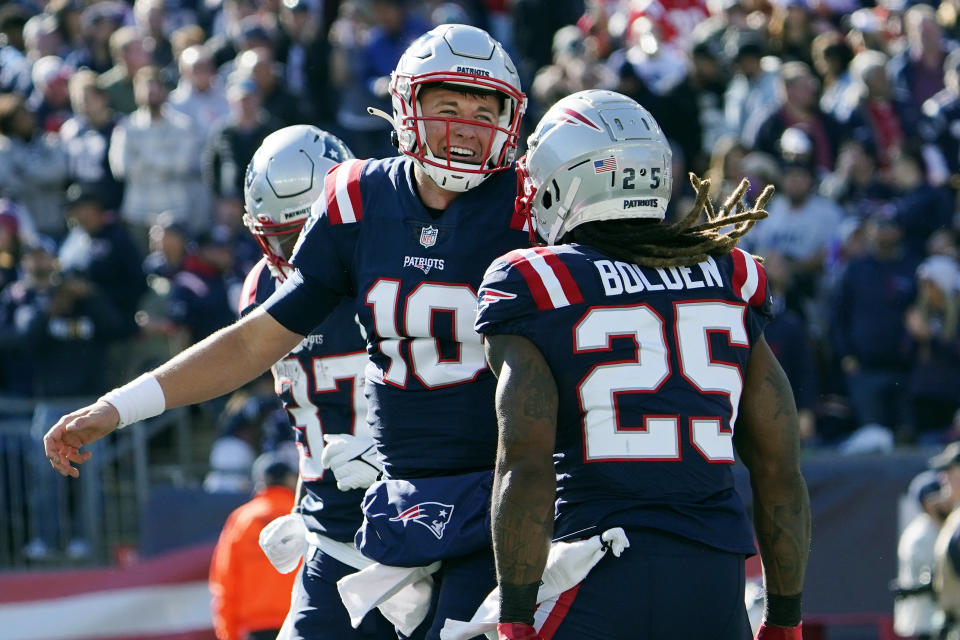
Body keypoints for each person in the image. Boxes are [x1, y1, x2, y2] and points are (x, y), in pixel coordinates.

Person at [44, 23, 528, 640]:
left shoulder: (529, 204)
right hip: (381, 512)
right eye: (448, 106)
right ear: (408, 109)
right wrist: (117, 407)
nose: (467, 124)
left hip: (495, 500)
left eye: (484, 108)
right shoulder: (357, 198)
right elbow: (253, 341)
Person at [473, 90, 810, 639]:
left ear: (566, 182)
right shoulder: (730, 277)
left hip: (597, 572)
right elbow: (778, 469)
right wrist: (786, 619)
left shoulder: (538, 283)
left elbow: (525, 465)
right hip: (713, 581)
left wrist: (514, 615)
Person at [238, 124, 393, 640]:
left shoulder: (393, 263)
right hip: (330, 534)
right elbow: (312, 417)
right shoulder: (262, 286)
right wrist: (307, 502)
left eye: (308, 231)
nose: (300, 254)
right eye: (282, 238)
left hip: (411, 521)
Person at [209, 452, 298, 640]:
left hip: (256, 629)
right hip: (301, 621)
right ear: (292, 480)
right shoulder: (301, 517)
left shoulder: (241, 519)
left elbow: (225, 581)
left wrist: (228, 634)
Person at [894, 470, 950, 640]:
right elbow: (932, 581)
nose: (947, 500)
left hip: (939, 618)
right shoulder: (921, 536)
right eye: (940, 495)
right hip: (927, 621)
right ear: (928, 502)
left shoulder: (940, 527)